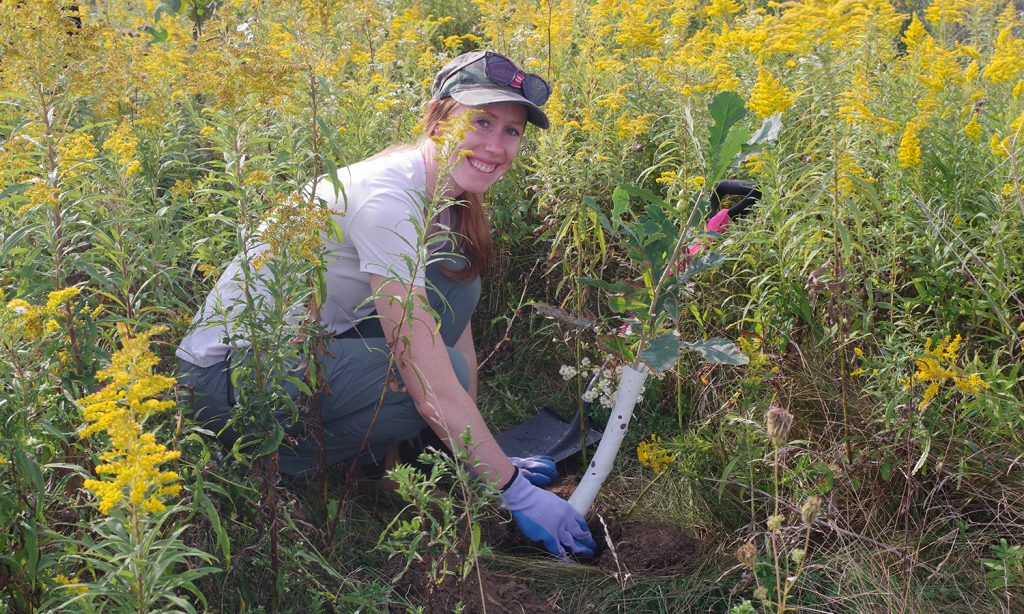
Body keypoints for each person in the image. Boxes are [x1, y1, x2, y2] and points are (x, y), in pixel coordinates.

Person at [176, 50, 596, 560]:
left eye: (512, 131)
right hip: (229, 382)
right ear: (438, 117)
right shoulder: (389, 200)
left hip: (304, 348)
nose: (496, 146)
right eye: (481, 121)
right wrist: (513, 489)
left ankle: (409, 450)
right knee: (435, 378)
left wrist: (476, 461)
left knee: (456, 288)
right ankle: (262, 464)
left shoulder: (448, 198)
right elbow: (430, 381)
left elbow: (455, 332)